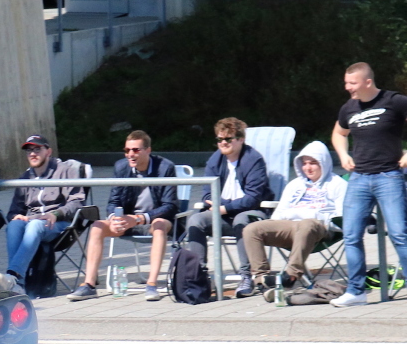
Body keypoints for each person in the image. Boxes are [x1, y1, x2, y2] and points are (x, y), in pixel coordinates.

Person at [331, 61, 407, 307]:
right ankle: (356, 291)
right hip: (359, 178)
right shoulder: (349, 108)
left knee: (399, 234)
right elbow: (338, 133)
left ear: (367, 82)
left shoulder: (394, 101)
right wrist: (343, 156)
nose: (347, 88)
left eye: (351, 83)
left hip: (389, 176)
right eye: (345, 82)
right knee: (351, 235)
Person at [68, 130, 177, 301]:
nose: (130, 155)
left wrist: (140, 219)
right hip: (128, 221)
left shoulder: (165, 167)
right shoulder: (121, 167)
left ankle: (152, 284)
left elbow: (170, 206)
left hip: (154, 220)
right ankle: (89, 284)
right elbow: (113, 200)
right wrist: (114, 218)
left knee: (159, 225)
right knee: (97, 226)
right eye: (127, 150)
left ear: (148, 150)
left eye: (135, 150)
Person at [242, 141, 347, 293]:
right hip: (290, 226)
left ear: (323, 163)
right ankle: (262, 279)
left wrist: (316, 217)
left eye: (313, 163)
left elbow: (341, 217)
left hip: (321, 227)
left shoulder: (337, 184)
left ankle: (290, 276)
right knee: (251, 229)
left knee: (306, 224)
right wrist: (286, 218)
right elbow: (279, 214)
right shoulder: (295, 185)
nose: (308, 168)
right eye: (304, 163)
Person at [185, 117, 272, 297]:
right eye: (219, 139)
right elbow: (207, 194)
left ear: (240, 139)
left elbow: (253, 199)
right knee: (195, 220)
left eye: (228, 139)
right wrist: (223, 207)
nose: (223, 143)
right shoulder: (214, 161)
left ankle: (246, 277)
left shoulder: (254, 160)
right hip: (223, 215)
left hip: (252, 215)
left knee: (242, 219)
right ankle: (200, 277)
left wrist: (224, 207)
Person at [0, 135, 87, 293]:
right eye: (29, 151)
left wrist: (57, 213)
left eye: (37, 149)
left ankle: (15, 276)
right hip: (34, 222)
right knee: (13, 225)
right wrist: (15, 217)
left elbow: (77, 202)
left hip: (61, 224)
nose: (32, 154)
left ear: (48, 151)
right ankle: (18, 286)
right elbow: (14, 211)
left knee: (34, 225)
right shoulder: (26, 178)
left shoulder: (65, 170)